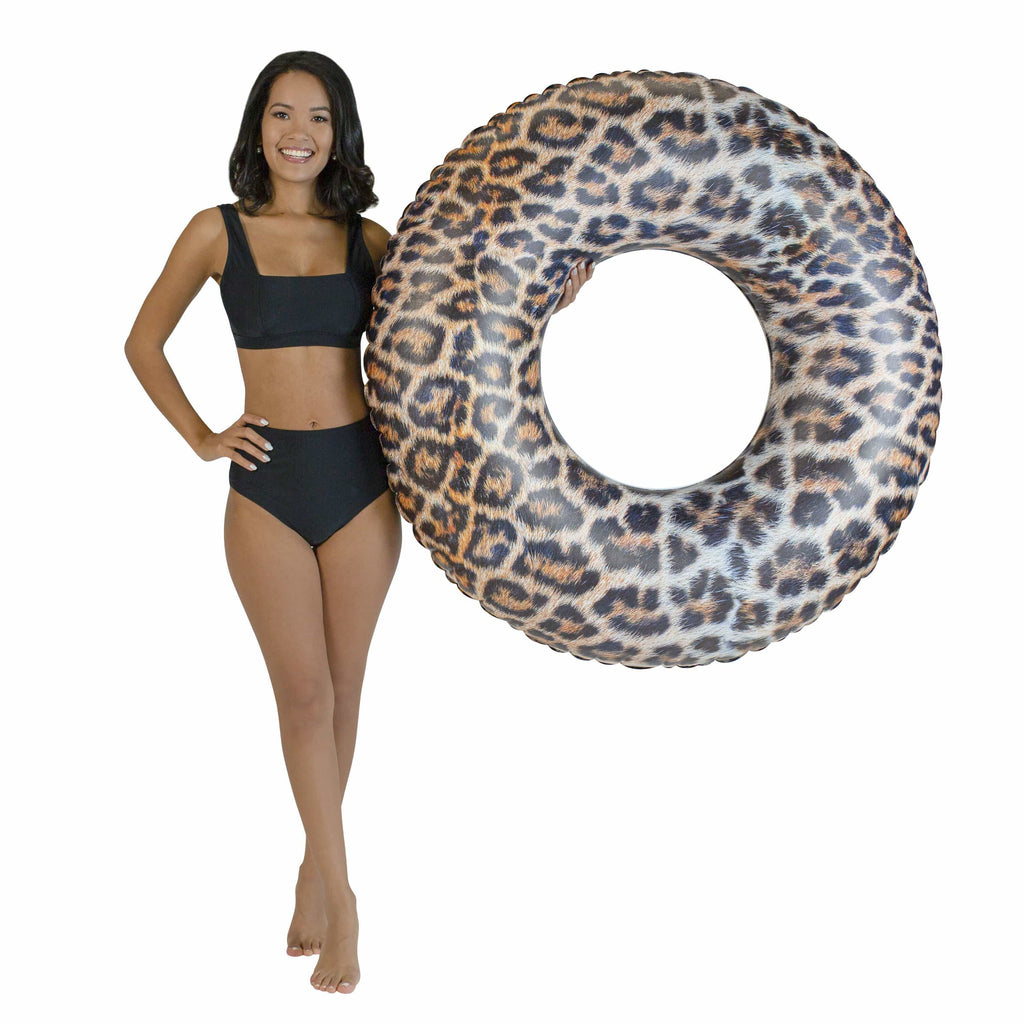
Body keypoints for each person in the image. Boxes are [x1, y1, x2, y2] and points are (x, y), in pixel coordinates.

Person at [123, 50, 593, 996]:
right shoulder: (216, 232)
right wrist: (203, 437)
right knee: (303, 698)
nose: (299, 133)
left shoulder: (371, 240)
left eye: (319, 117)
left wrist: (555, 282)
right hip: (266, 489)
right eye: (282, 113)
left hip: (360, 482)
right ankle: (343, 901)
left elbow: (468, 311)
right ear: (258, 126)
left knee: (343, 690)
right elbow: (142, 342)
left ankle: (311, 867)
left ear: (340, 134)